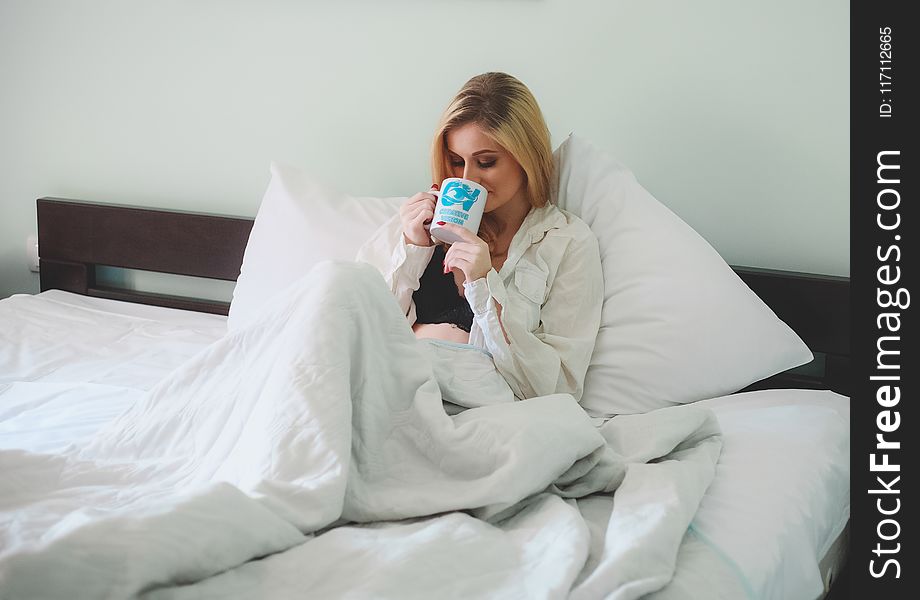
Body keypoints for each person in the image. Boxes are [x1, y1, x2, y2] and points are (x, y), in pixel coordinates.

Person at [357, 72, 603, 404]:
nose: (467, 178)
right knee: (333, 283)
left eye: (486, 162)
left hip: (471, 411)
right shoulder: (417, 221)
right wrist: (413, 250)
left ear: (526, 158)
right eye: (456, 162)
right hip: (390, 391)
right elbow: (360, 334)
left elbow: (559, 387)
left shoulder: (565, 242)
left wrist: (484, 285)